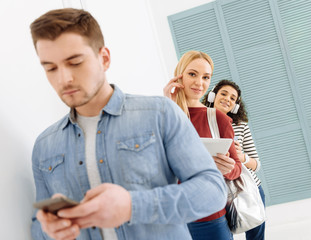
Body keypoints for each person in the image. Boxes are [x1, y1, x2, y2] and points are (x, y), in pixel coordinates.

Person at [29, 8, 227, 240]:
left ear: (104, 58)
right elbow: (37, 226)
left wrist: (132, 206)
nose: (63, 79)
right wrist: (48, 230)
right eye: (50, 68)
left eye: (75, 62)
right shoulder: (44, 146)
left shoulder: (160, 114)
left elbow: (212, 191)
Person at [163, 51, 242, 240]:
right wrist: (167, 105)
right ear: (179, 75)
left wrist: (228, 168)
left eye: (206, 77)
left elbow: (237, 168)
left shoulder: (218, 118)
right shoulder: (162, 114)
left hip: (210, 219)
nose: (200, 83)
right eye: (192, 74)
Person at [202, 79, 266, 240]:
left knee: (256, 236)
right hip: (218, 190)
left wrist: (241, 156)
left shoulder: (241, 126)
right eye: (223, 94)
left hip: (248, 189)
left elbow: (256, 164)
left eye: (232, 98)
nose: (227, 99)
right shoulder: (199, 121)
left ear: (235, 105)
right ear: (212, 96)